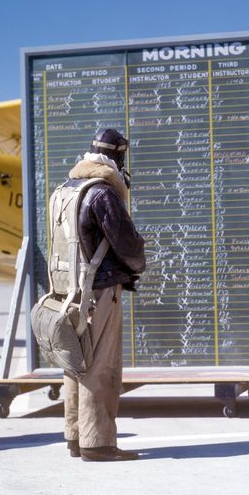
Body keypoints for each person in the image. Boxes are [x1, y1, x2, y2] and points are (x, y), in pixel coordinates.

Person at [61, 129, 146, 462]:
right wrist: (138, 263)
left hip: (67, 289)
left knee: (74, 364)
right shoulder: (103, 193)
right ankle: (98, 443)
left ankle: (74, 434)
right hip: (100, 289)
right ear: (119, 156)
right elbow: (126, 244)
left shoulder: (66, 189)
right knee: (101, 367)